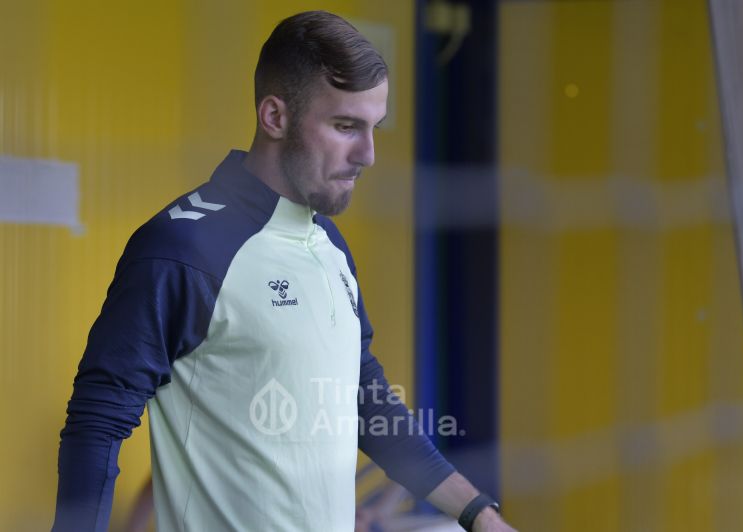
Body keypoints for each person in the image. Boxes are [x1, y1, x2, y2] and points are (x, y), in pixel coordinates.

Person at [53, 10, 515, 532]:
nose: (367, 154)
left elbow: (369, 403)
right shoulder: (183, 245)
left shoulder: (329, 245)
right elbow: (98, 421)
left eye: (373, 128)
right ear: (275, 117)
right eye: (345, 126)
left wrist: (478, 516)